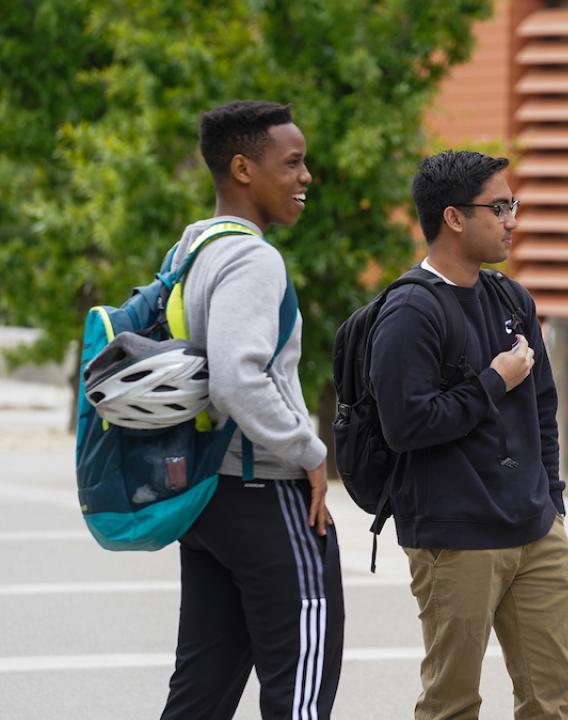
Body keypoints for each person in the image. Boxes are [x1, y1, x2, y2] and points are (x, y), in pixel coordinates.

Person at [369, 150, 568, 720]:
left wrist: (551, 502)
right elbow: (406, 425)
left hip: (535, 531)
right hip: (455, 537)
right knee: (452, 704)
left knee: (551, 701)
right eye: (500, 207)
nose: (512, 219)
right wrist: (491, 382)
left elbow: (543, 406)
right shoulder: (411, 311)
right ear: (454, 218)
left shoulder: (511, 298)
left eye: (514, 205)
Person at [160, 101, 343, 719]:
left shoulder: (192, 248)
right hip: (266, 491)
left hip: (210, 496)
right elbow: (240, 381)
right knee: (301, 694)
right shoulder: (252, 257)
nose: (305, 177)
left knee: (198, 696)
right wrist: (310, 452)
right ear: (243, 168)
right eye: (291, 163)